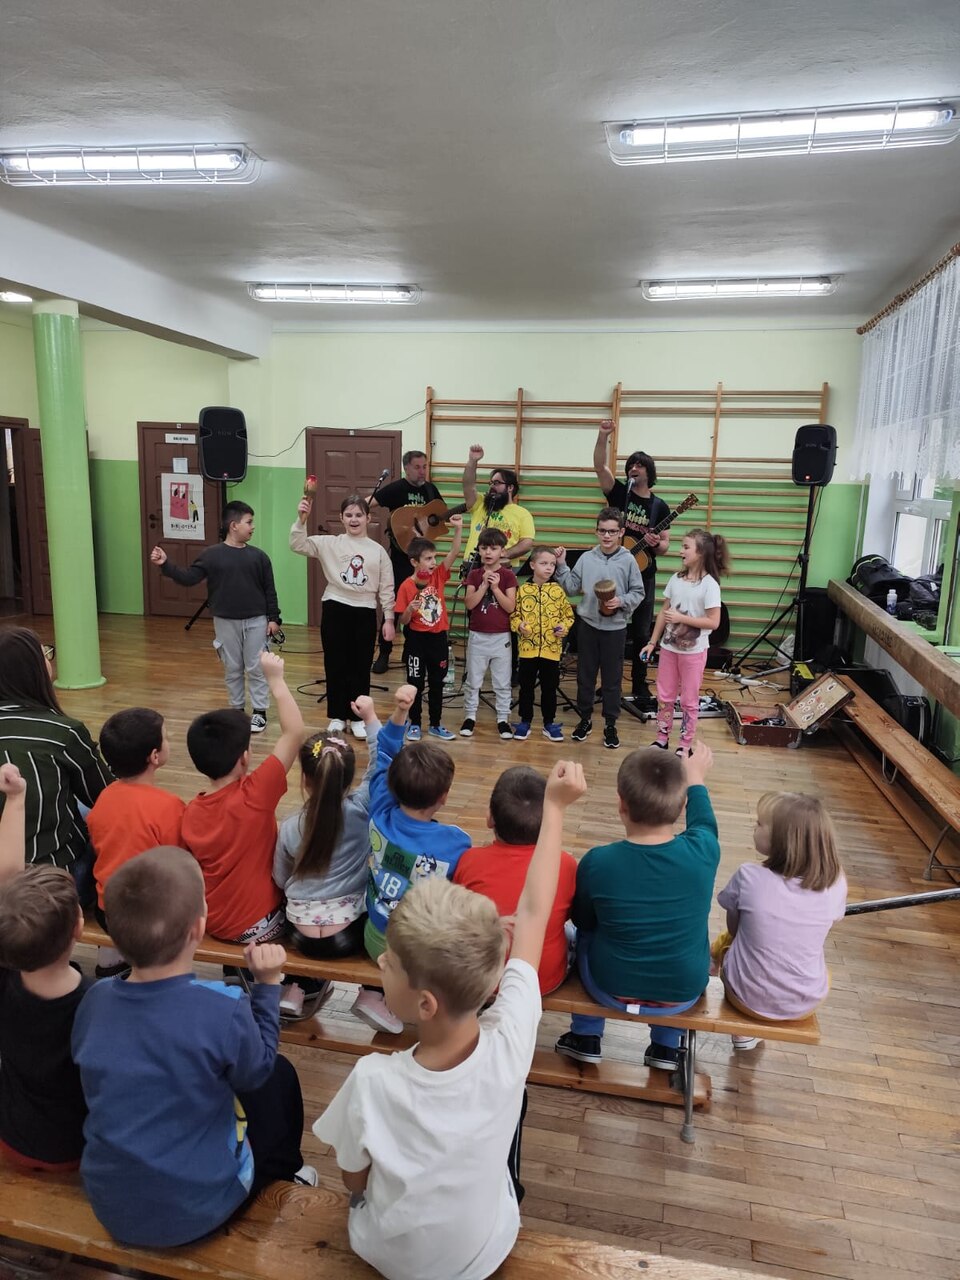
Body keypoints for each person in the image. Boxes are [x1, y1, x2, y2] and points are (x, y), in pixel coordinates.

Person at [313, 759, 587, 1280]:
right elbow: (533, 913)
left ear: (425, 1004)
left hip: (386, 1256)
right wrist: (553, 809)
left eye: (391, 963)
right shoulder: (512, 1043)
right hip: (484, 1252)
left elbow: (353, 1179)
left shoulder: (372, 1078)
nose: (382, 962)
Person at [72, 847, 315, 1248]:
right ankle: (288, 1173)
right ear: (198, 928)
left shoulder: (94, 999)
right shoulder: (222, 1008)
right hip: (200, 1208)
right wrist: (268, 986)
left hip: (110, 1202)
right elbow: (258, 1070)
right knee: (278, 1076)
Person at [555, 741, 719, 1070]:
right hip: (682, 989)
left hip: (609, 985)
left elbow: (584, 921)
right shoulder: (704, 851)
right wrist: (696, 779)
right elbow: (704, 824)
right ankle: (666, 1047)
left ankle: (585, 1035)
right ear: (682, 806)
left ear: (621, 804)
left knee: (581, 933)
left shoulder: (598, 861)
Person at [357, 684, 471, 1035]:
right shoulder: (456, 844)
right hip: (417, 956)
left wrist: (400, 712)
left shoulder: (379, 808)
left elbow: (385, 752)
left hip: (373, 937)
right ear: (444, 797)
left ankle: (376, 992)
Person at [0, 762, 90, 1173]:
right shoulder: (97, 1001)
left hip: (12, 1136)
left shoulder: (6, 976)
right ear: (79, 928)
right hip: (74, 1147)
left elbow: (7, 887)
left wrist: (15, 800)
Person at [181, 651, 305, 944]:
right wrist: (276, 680)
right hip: (260, 924)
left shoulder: (190, 811)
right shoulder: (255, 795)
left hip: (214, 921)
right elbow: (294, 732)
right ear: (245, 758)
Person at [712, 791, 847, 1050]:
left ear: (782, 840)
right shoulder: (836, 881)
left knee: (727, 942)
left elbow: (734, 928)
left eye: (760, 823)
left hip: (744, 998)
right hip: (806, 1002)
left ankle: (742, 1031)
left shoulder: (748, 876)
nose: (754, 826)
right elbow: (831, 922)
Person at [151, 501, 281, 734]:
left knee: (256, 667)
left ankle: (259, 712)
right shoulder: (211, 555)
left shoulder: (259, 557)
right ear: (234, 525)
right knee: (233, 667)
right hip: (225, 621)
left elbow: (269, 590)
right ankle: (237, 711)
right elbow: (189, 577)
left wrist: (274, 618)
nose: (252, 527)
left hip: (256, 621)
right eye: (249, 522)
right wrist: (166, 565)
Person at [0, 626, 111, 893]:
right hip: (50, 883)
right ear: (34, 670)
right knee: (96, 815)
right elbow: (106, 796)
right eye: (46, 654)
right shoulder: (63, 732)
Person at [273, 695, 382, 961]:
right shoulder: (362, 810)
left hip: (299, 932)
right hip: (348, 933)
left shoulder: (290, 826)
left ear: (304, 779)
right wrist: (370, 719)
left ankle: (300, 982)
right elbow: (383, 765)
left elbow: (280, 878)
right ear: (349, 777)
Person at [454, 765, 577, 994]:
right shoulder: (565, 864)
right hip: (543, 980)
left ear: (490, 818)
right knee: (572, 931)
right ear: (547, 825)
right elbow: (570, 913)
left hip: (481, 979)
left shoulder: (469, 860)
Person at [86, 707, 185, 979]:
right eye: (166, 737)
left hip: (108, 909)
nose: (169, 740)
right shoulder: (169, 806)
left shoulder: (105, 796)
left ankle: (111, 959)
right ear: (154, 756)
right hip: (150, 917)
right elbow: (181, 862)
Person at [290, 493, 395, 739]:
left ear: (368, 518)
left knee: (360, 665)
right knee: (335, 663)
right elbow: (297, 544)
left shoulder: (378, 551)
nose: (354, 519)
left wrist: (389, 618)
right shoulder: (330, 543)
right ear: (341, 518)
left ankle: (358, 717)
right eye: (349, 515)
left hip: (365, 611)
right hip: (335, 607)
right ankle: (337, 715)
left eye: (359, 515)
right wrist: (301, 520)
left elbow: (387, 587)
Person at [593, 420, 670, 710]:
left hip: (643, 575)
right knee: (610, 628)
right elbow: (599, 466)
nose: (633, 468)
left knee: (641, 632)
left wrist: (655, 543)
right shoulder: (618, 493)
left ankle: (639, 683)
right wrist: (603, 436)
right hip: (613, 574)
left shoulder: (659, 506)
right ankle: (608, 682)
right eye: (630, 465)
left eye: (639, 465)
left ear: (649, 472)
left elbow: (665, 545)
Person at [554, 507, 645, 750]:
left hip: (615, 629)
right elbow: (571, 588)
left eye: (612, 531)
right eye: (602, 531)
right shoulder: (586, 558)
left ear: (621, 532)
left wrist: (621, 601)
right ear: (596, 531)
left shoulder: (628, 560)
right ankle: (585, 719)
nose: (606, 536)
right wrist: (561, 565)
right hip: (588, 626)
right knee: (585, 675)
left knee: (612, 679)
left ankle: (610, 724)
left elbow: (638, 592)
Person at [640, 527, 729, 757]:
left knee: (689, 700)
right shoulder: (676, 579)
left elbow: (714, 622)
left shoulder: (710, 585)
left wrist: (682, 619)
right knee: (665, 696)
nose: (680, 551)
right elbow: (663, 613)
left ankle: (685, 744)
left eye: (686, 547)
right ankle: (662, 738)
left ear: (700, 553)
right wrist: (652, 642)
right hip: (669, 650)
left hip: (693, 653)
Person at [368, 450, 444, 673]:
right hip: (400, 558)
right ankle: (384, 652)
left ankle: (411, 649)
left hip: (423, 560)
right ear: (406, 468)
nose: (422, 471)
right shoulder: (396, 488)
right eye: (417, 467)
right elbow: (368, 503)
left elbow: (438, 516)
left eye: (424, 466)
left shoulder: (430, 490)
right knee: (393, 603)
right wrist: (355, 511)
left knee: (419, 602)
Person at [394, 515, 463, 741]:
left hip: (438, 639)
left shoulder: (438, 576)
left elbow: (454, 552)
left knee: (436, 683)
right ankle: (414, 723)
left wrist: (458, 528)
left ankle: (435, 724)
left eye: (434, 557)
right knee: (415, 683)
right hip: (416, 641)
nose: (433, 562)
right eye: (428, 558)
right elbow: (403, 621)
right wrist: (409, 610)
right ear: (414, 562)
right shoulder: (406, 586)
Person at [510, 545, 574, 742]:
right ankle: (525, 721)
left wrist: (563, 627)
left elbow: (568, 616)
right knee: (526, 688)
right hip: (527, 650)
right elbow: (513, 615)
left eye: (552, 564)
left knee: (549, 688)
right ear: (532, 565)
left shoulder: (558, 591)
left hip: (551, 650)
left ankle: (549, 723)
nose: (549, 568)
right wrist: (519, 625)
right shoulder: (522, 590)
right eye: (544, 563)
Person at [461, 528, 518, 740]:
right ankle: (470, 716)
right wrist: (484, 585)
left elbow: (510, 607)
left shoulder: (508, 576)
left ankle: (503, 718)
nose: (488, 552)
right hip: (478, 635)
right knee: (473, 680)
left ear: (502, 551)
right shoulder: (474, 575)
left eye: (493, 548)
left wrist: (495, 588)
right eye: (484, 548)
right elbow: (470, 603)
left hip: (501, 637)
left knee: (502, 682)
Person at [461, 444, 536, 569]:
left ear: (510, 487)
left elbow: (527, 543)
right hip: (474, 567)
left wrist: (504, 554)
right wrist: (472, 461)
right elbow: (468, 485)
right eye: (491, 483)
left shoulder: (523, 513)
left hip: (503, 569)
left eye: (496, 483)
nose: (492, 486)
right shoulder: (480, 503)